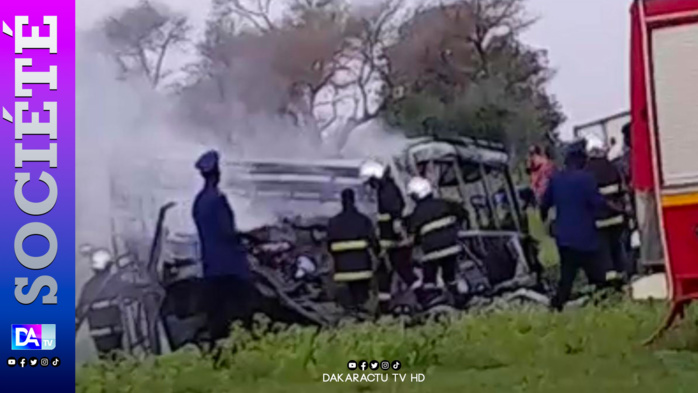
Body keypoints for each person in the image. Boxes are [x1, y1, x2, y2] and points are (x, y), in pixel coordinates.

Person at [540, 143, 618, 311]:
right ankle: (604, 301)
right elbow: (598, 203)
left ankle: (556, 306)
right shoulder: (587, 179)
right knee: (598, 275)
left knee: (567, 278)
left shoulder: (556, 179)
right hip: (586, 239)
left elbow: (544, 204)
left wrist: (545, 223)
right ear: (580, 160)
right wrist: (619, 209)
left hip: (565, 239)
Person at [192, 150, 254, 346]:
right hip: (231, 268)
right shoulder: (217, 200)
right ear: (217, 173)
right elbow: (226, 231)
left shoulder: (199, 201)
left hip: (211, 267)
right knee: (241, 315)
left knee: (217, 318)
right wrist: (249, 237)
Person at [359, 160, 419, 314]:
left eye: (370, 182)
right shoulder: (387, 189)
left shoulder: (387, 191)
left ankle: (422, 297)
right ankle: (385, 308)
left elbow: (394, 217)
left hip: (393, 245)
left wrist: (397, 235)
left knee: (400, 272)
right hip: (392, 244)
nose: (370, 186)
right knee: (389, 275)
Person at [405, 177, 469, 308]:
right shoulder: (445, 203)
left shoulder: (416, 214)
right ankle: (458, 300)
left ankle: (433, 302)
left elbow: (413, 238)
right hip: (452, 248)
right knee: (450, 276)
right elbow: (463, 214)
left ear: (415, 196)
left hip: (432, 253)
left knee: (429, 279)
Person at [327, 188, 380, 314]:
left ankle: (350, 317)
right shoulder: (363, 220)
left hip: (342, 272)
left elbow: (329, 246)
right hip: (362, 270)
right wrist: (379, 256)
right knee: (361, 300)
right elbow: (374, 243)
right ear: (354, 200)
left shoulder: (333, 222)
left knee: (347, 305)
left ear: (342, 201)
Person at [585, 137, 629, 286]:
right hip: (616, 218)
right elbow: (622, 191)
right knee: (618, 249)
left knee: (604, 255)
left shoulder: (586, 172)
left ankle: (610, 283)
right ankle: (623, 278)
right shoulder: (612, 168)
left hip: (598, 221)